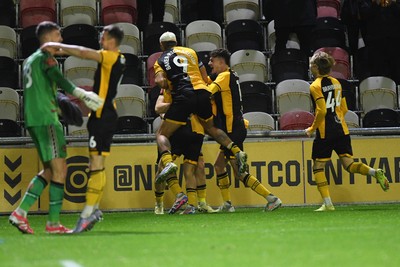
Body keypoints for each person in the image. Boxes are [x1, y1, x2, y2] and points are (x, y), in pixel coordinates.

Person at [8, 21, 104, 234]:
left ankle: (20, 213)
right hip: (47, 120)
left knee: (50, 170)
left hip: (33, 120)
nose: (61, 39)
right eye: (58, 35)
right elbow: (61, 80)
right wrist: (83, 95)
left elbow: (44, 88)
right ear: (48, 35)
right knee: (61, 170)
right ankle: (52, 224)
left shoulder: (29, 61)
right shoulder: (46, 59)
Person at [42, 24, 125, 231]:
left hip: (103, 115)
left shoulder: (110, 56)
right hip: (106, 113)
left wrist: (56, 45)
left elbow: (84, 53)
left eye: (103, 37)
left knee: (95, 163)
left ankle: (87, 213)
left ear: (111, 40)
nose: (100, 40)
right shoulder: (120, 57)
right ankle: (94, 209)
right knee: (98, 162)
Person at [153, 32, 248, 203]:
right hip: (202, 92)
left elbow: (160, 81)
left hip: (183, 94)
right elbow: (205, 78)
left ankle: (168, 162)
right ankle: (236, 151)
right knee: (211, 128)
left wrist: (170, 85)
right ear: (176, 42)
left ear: (162, 46)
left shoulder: (160, 60)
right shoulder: (191, 52)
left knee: (161, 134)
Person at [305, 51, 390, 211]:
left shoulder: (315, 85)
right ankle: (374, 172)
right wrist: (337, 119)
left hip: (325, 132)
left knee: (318, 167)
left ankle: (328, 204)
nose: (310, 68)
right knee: (349, 164)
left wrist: (312, 128)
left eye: (311, 65)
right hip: (341, 129)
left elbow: (321, 110)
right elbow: (344, 108)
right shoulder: (337, 82)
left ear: (316, 67)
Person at [208, 48, 282, 212]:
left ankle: (272, 198)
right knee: (220, 166)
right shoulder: (232, 75)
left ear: (221, 61)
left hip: (232, 129)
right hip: (237, 127)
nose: (209, 64)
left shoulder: (224, 76)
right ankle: (228, 204)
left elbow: (208, 92)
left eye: (212, 60)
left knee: (239, 174)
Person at [154, 88, 217, 215]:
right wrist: (177, 106)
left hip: (193, 131)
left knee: (198, 166)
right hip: (173, 132)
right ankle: (159, 203)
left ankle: (198, 203)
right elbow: (158, 108)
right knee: (162, 167)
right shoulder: (167, 87)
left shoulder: (195, 86)